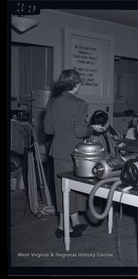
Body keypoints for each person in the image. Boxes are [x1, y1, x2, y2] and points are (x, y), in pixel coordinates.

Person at [44, 69, 105, 239]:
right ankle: (64, 228)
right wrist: (91, 128)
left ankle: (74, 223)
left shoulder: (52, 102)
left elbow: (48, 130)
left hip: (57, 151)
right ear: (76, 84)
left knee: (62, 189)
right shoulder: (81, 104)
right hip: (75, 153)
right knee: (76, 188)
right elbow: (80, 132)